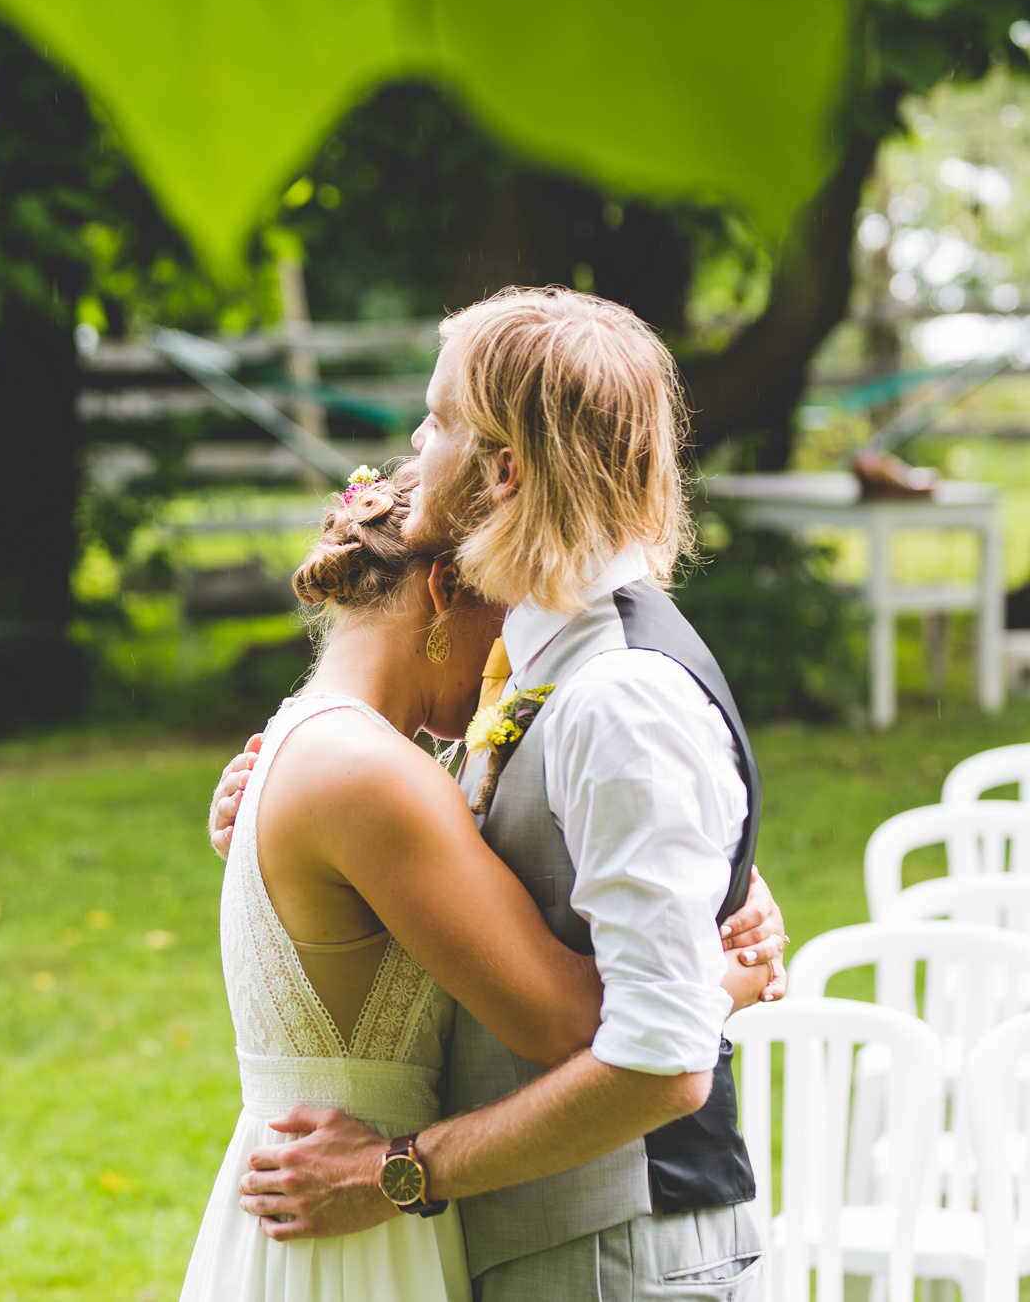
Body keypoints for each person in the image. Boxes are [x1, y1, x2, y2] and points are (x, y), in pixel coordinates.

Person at [202, 287, 787, 1300]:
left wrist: (401, 1172)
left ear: (502, 469)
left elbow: (660, 1055)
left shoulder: (621, 696)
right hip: (535, 1246)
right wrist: (292, 846)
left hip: (621, 1260)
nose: (410, 449)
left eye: (435, 422)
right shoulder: (533, 661)